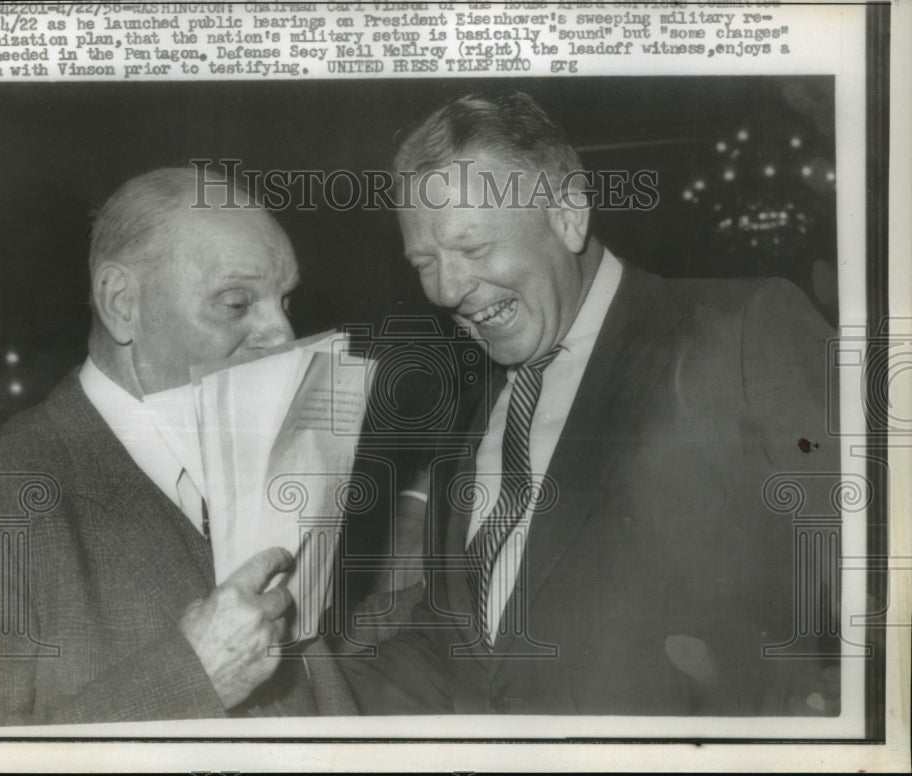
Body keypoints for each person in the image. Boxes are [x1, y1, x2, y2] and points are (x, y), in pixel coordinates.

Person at [339, 92, 841, 715]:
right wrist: (274, 673)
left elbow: (887, 566)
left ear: (568, 212)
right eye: (425, 262)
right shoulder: (477, 409)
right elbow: (458, 648)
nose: (446, 289)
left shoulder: (743, 331)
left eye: (472, 249)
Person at [0, 167, 353, 725]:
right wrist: (193, 677)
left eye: (284, 300)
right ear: (122, 303)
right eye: (236, 303)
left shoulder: (267, 456)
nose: (283, 337)